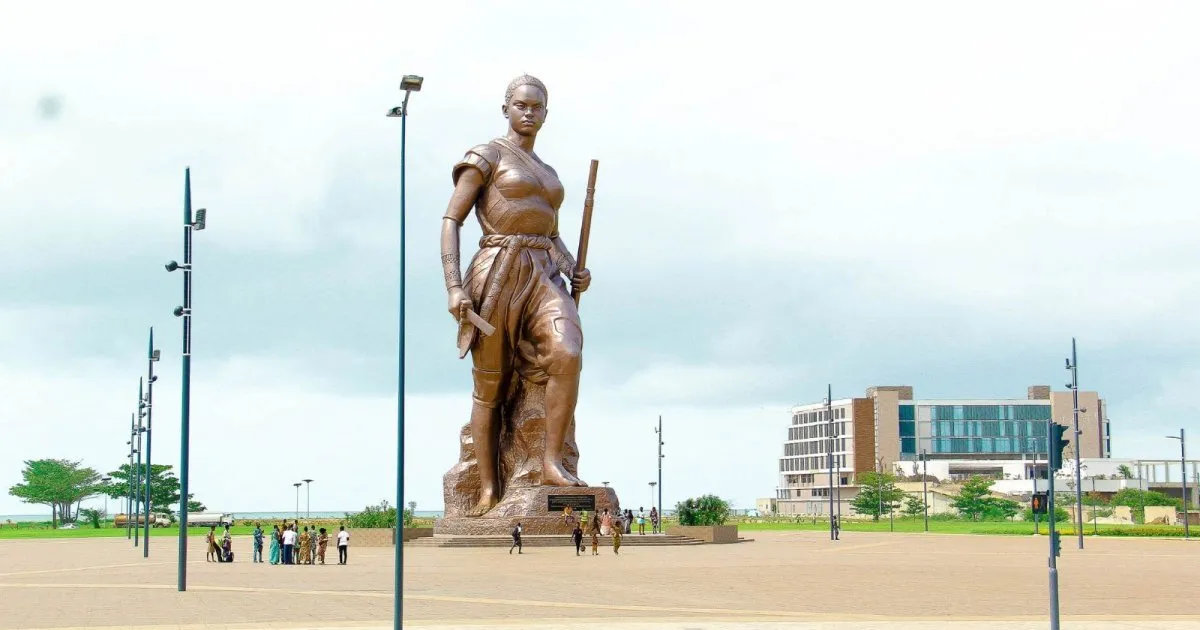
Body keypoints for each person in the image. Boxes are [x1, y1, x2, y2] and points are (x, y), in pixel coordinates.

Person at [440, 74, 593, 517]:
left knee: (567, 352)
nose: (529, 112)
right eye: (521, 105)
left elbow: (552, 234)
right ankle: (489, 487)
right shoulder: (486, 156)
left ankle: (551, 463)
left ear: (546, 114)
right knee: (491, 386)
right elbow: (451, 220)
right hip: (498, 273)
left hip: (544, 274)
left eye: (537, 106)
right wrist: (454, 286)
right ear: (505, 108)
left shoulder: (549, 172)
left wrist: (573, 267)